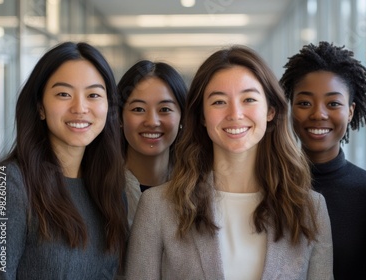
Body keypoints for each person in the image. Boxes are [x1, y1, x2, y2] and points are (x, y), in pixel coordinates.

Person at [125, 45, 333, 279]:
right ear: (202, 116)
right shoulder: (157, 206)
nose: (235, 113)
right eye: (219, 102)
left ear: (270, 110)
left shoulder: (310, 209)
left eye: (248, 99)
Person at [0, 42, 128, 279]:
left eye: (93, 95)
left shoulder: (110, 187)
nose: (80, 108)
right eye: (63, 94)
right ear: (40, 107)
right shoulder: (8, 181)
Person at [280, 41, 366, 279]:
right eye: (304, 103)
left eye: (333, 103)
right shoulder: (269, 184)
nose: (318, 114)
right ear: (291, 108)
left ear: (351, 111)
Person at [118, 60, 187, 226]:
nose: (152, 122)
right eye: (138, 109)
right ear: (119, 117)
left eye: (165, 109)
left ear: (182, 117)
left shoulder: (198, 190)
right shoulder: (98, 188)